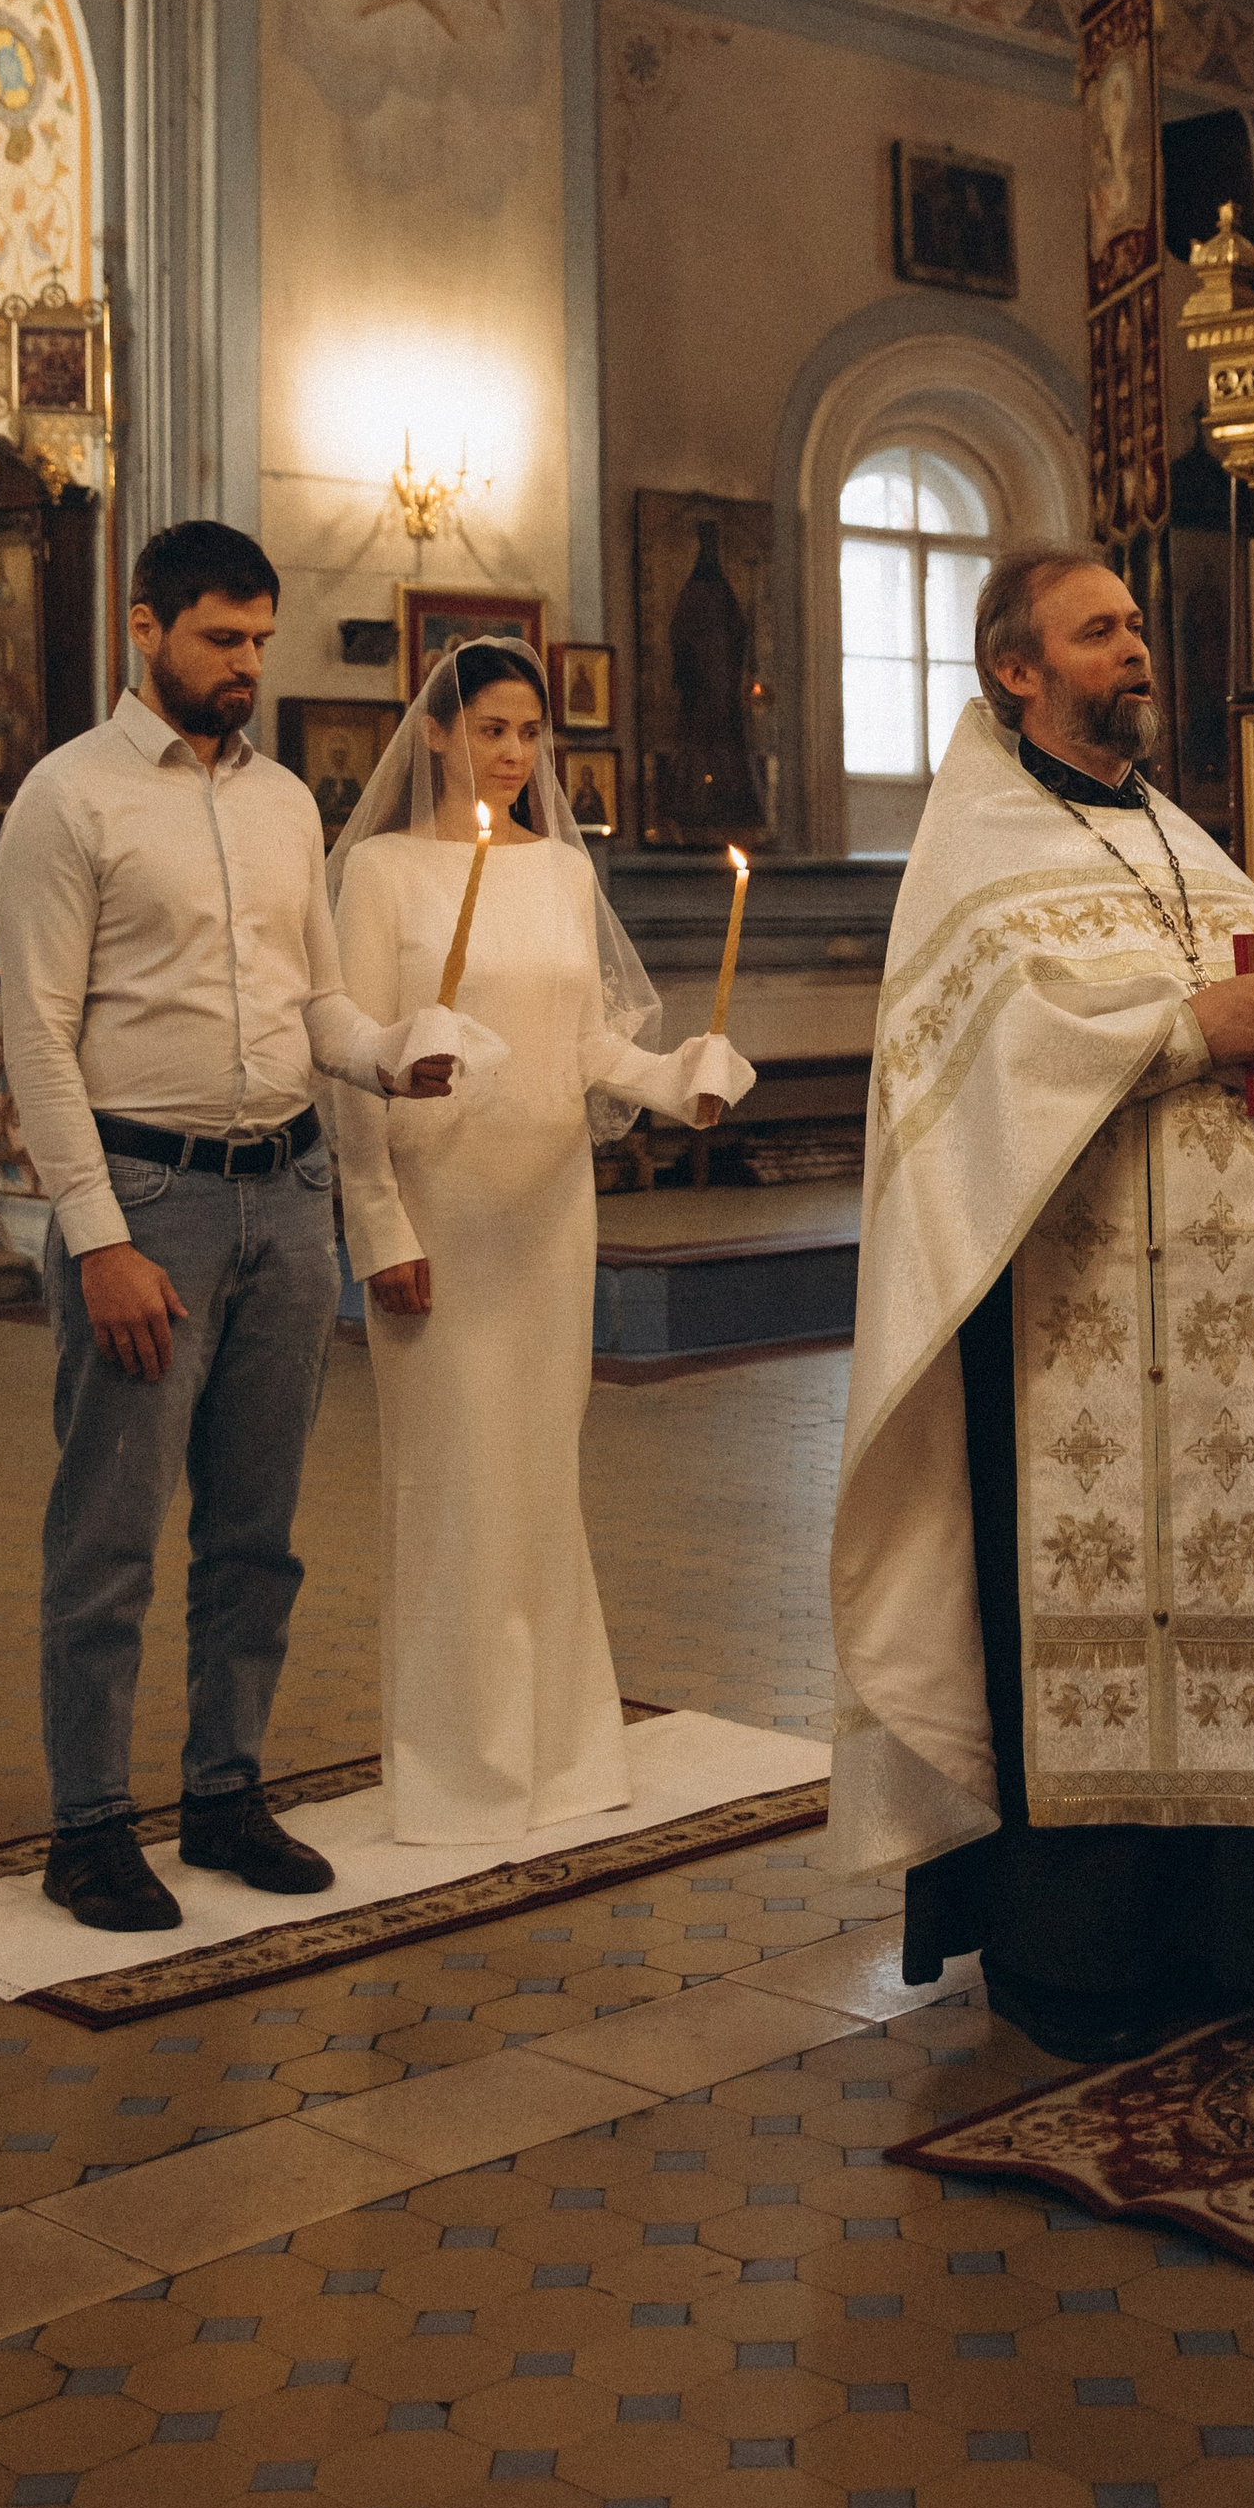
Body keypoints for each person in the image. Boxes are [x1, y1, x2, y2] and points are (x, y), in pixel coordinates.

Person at [828, 546, 1254, 2067]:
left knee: (1250, 1601)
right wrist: (1185, 1028)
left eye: (1139, 625)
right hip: (1064, 1335)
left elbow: (1253, 993)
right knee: (1083, 1620)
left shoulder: (1175, 837)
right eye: (1100, 631)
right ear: (1017, 670)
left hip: (1235, 1334)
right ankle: (1082, 1960)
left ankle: (1252, 1935)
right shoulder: (972, 852)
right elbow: (976, 1077)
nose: (1136, 649)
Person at [0, 520, 461, 1934]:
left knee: (257, 1531)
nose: (249, 664)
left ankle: (224, 1792)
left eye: (262, 639)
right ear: (146, 629)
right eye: (222, 638)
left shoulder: (279, 807)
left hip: (290, 1192)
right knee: (115, 1531)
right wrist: (98, 1235)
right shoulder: (67, 801)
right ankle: (88, 1826)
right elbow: (36, 1035)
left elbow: (311, 997)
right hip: (152, 1202)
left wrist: (383, 1054)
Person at [327, 640, 750, 1840]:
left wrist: (681, 1081)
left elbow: (588, 1049)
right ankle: (456, 1773)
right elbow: (352, 1065)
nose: (514, 754)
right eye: (492, 729)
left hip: (550, 1206)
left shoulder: (564, 872)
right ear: (439, 735)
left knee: (539, 1477)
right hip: (440, 1206)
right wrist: (377, 1223)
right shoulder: (381, 874)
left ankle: (560, 1758)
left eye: (530, 733)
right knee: (449, 1480)